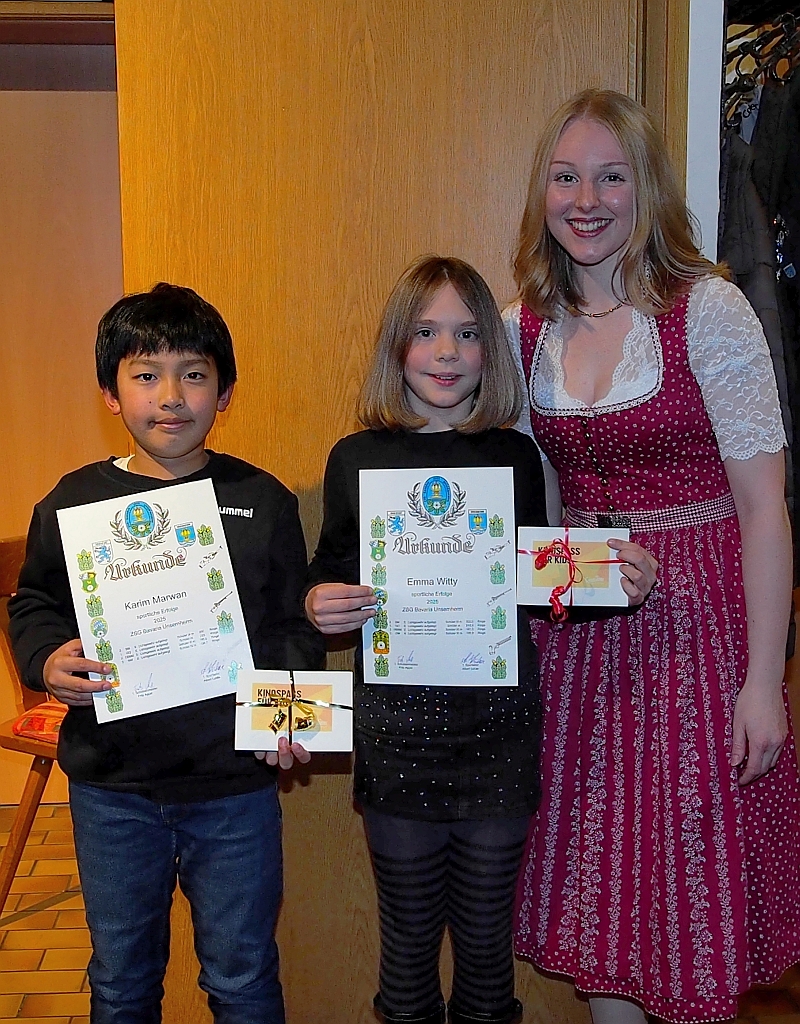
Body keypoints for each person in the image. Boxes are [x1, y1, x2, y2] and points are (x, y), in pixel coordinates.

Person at [504, 88, 800, 1024]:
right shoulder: (521, 326)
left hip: (700, 635)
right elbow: (534, 505)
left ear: (648, 188)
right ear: (543, 193)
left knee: (691, 884)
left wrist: (763, 683)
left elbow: (765, 509)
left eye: (611, 177)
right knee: (601, 890)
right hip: (580, 643)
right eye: (566, 178)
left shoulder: (707, 310)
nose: (586, 200)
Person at [303, 255, 656, 1024]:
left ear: (489, 352)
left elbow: (538, 581)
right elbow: (328, 574)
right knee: (405, 957)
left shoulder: (514, 455)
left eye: (467, 334)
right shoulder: (355, 458)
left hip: (499, 737)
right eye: (426, 332)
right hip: (396, 738)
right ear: (397, 345)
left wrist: (614, 582)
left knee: (489, 959)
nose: (447, 352)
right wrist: (318, 602)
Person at [9, 283, 325, 1024]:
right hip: (112, 787)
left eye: (194, 373)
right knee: (122, 980)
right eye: (146, 374)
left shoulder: (263, 500)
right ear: (111, 393)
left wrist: (288, 722)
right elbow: (33, 602)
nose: (172, 396)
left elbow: (293, 626)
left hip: (234, 785)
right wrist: (47, 659)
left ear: (226, 393)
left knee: (242, 978)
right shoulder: (72, 501)